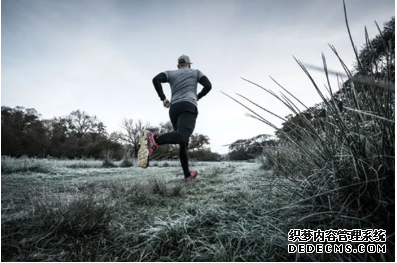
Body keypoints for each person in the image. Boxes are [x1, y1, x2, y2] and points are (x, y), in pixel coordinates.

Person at [137, 55, 212, 181]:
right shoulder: (196, 72)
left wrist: (163, 98)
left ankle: (187, 175)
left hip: (174, 108)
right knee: (183, 135)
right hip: (188, 105)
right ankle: (154, 139)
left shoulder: (171, 73)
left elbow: (156, 79)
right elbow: (208, 86)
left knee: (183, 142)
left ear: (178, 65)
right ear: (189, 64)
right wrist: (198, 96)